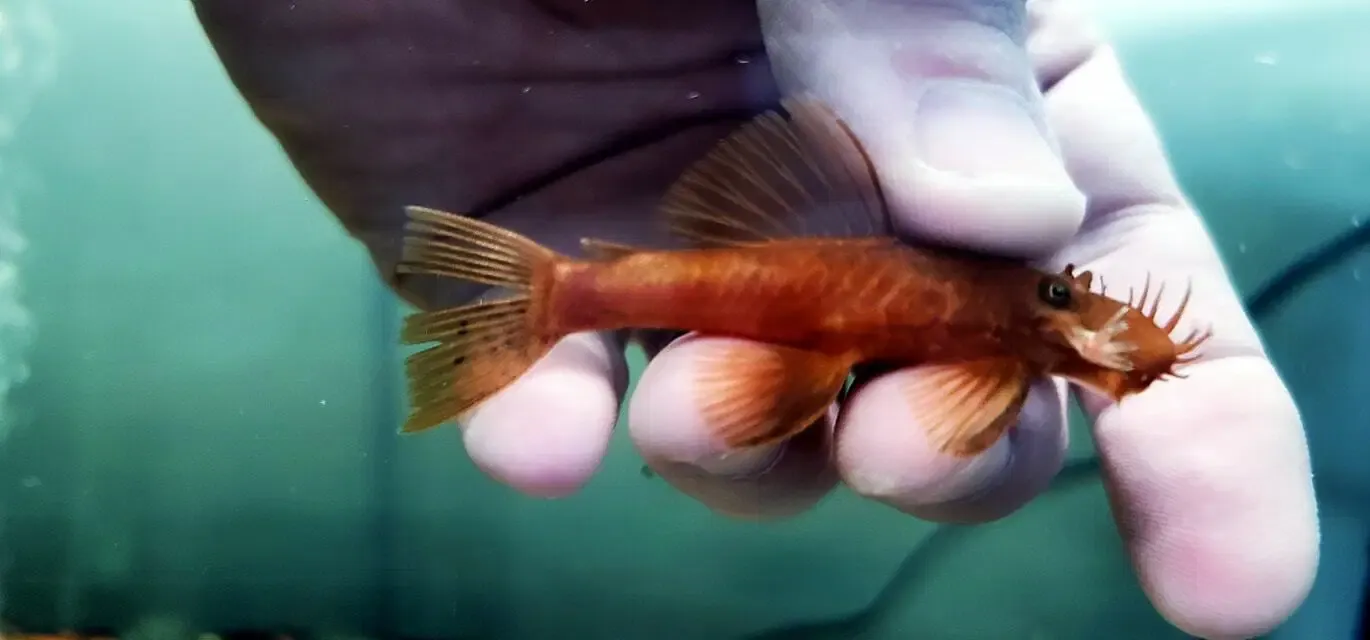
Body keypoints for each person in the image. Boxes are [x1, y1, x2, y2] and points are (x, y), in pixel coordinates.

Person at [191, 0, 1318, 637]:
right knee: (823, 428)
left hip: (783, 279)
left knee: (840, 433)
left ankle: (554, 301)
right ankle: (545, 298)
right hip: (767, 279)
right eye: (1064, 295)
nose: (1074, 304)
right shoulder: (1015, 308)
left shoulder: (1015, 326)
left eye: (1065, 298)